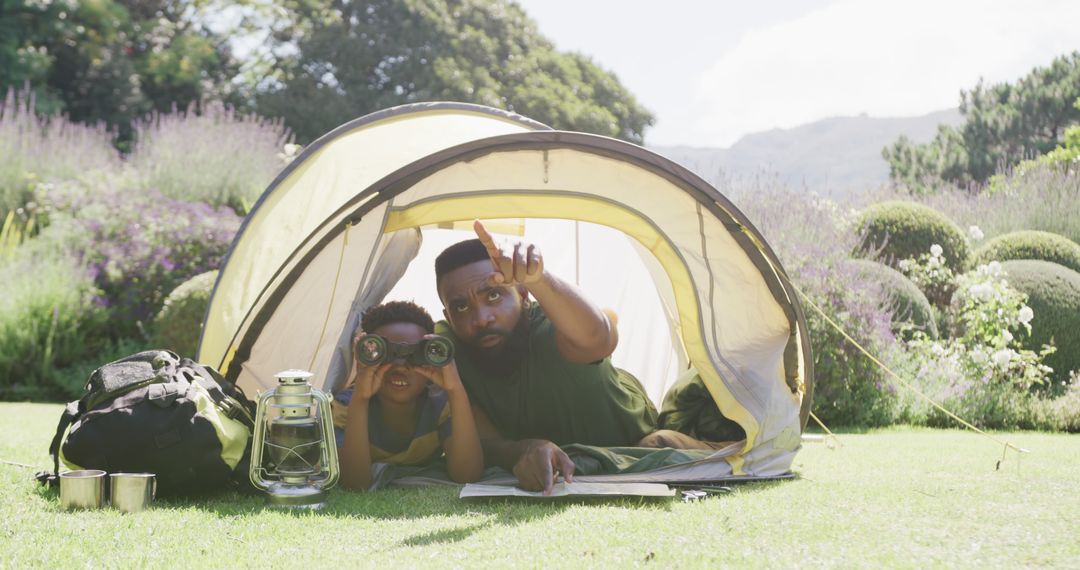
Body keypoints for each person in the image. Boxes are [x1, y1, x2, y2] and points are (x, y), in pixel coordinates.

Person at [434, 221, 715, 495]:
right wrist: (526, 449)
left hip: (634, 435)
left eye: (493, 295)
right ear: (448, 315)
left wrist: (538, 278)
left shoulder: (552, 326)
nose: (481, 319)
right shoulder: (452, 352)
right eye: (460, 307)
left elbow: (598, 340)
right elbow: (485, 441)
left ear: (523, 295)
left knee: (660, 444)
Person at [336, 301, 483, 490]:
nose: (400, 366)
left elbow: (467, 474)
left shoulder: (438, 404)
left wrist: (455, 388)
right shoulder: (345, 407)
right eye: (386, 354)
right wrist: (360, 398)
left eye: (415, 355)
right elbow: (356, 485)